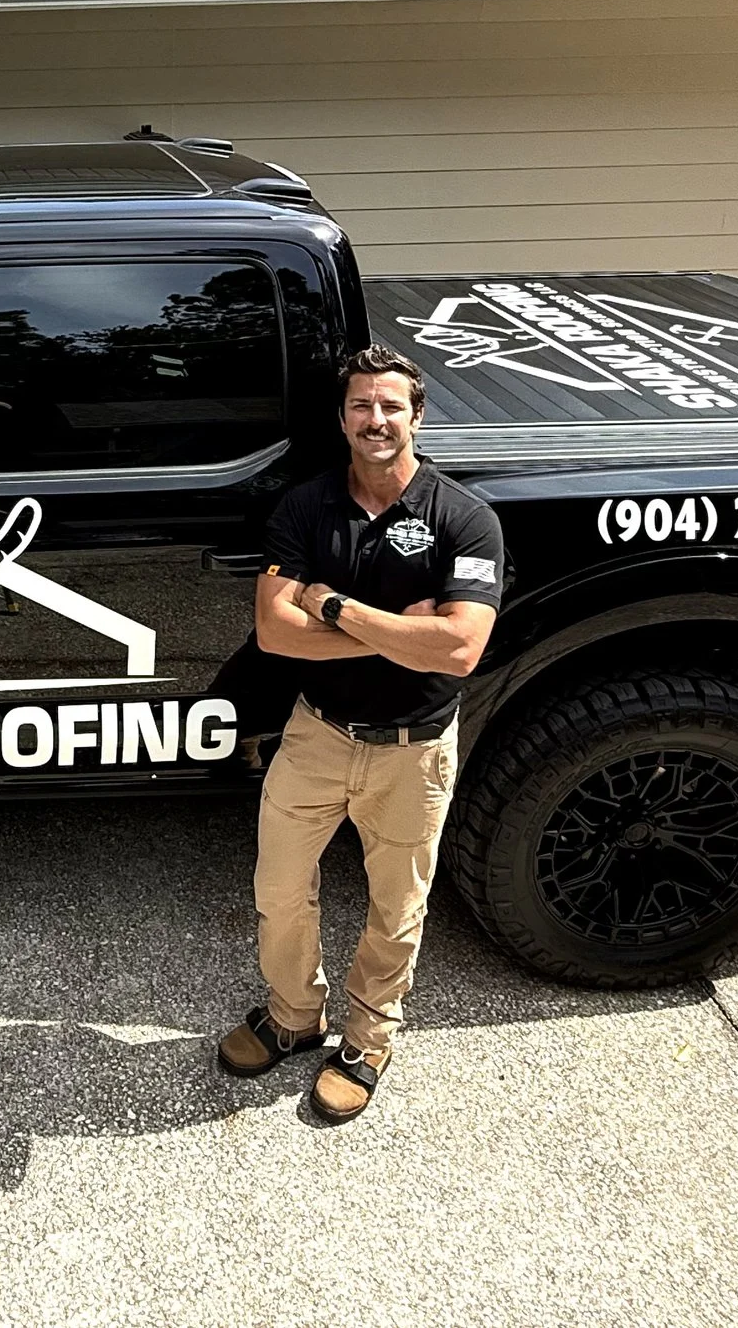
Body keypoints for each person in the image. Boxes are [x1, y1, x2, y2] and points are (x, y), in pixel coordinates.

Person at [216, 344, 503, 1123]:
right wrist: (399, 630)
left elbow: (460, 647)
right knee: (278, 890)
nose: (375, 420)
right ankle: (293, 1015)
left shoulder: (463, 517)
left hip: (415, 748)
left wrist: (334, 606)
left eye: (390, 406)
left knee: (395, 905)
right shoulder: (305, 507)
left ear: (416, 414)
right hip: (316, 734)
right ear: (341, 418)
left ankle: (369, 1036)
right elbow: (275, 633)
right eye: (360, 406)